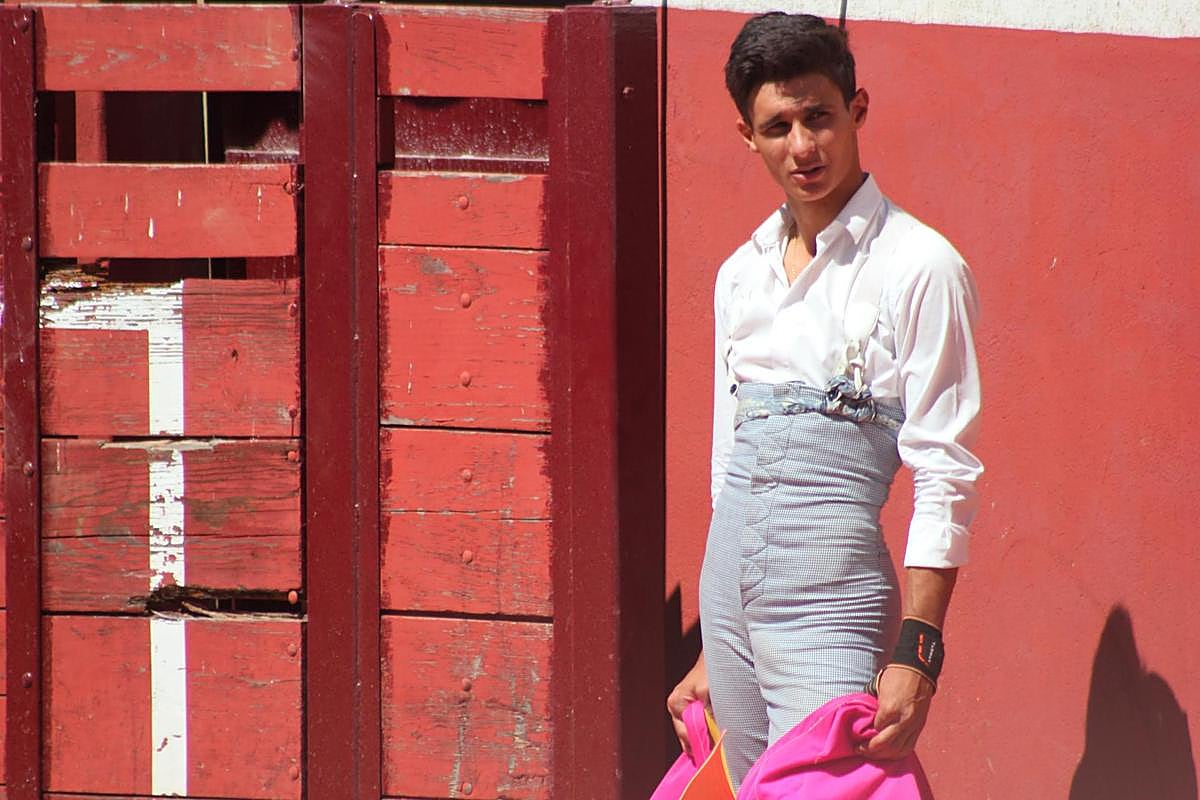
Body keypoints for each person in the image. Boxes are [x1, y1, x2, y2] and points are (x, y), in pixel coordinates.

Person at [666, 12, 984, 790]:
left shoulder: (921, 265)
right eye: (778, 127)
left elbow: (945, 470)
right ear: (748, 136)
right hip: (729, 607)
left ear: (857, 110)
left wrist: (917, 650)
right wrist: (713, 640)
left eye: (819, 117)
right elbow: (728, 458)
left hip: (832, 605)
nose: (802, 146)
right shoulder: (741, 274)